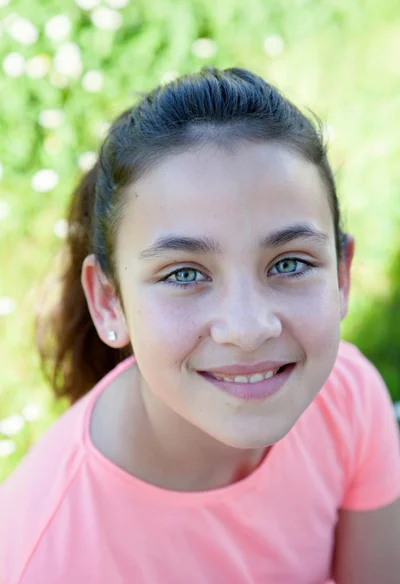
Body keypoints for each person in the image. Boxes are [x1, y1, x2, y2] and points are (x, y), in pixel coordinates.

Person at [1, 67, 399, 584]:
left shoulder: (348, 397)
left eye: (290, 263)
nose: (248, 327)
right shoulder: (45, 559)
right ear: (109, 302)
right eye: (184, 273)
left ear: (341, 277)